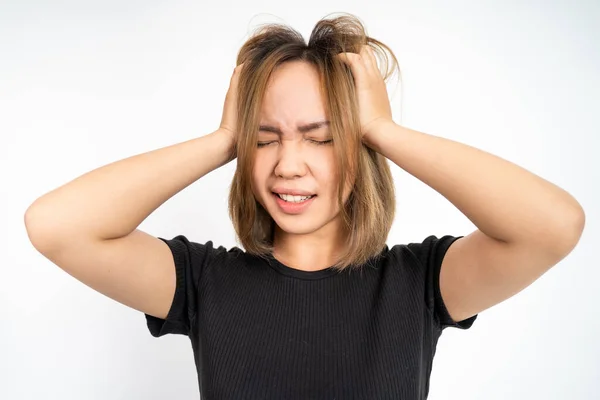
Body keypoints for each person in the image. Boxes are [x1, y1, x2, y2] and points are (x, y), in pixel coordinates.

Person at [24, 13, 585, 400]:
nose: (287, 164)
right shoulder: (203, 283)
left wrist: (382, 129)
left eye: (319, 137)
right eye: (266, 139)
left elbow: (554, 225)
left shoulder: (419, 284)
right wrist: (226, 137)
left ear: (359, 149)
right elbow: (55, 225)